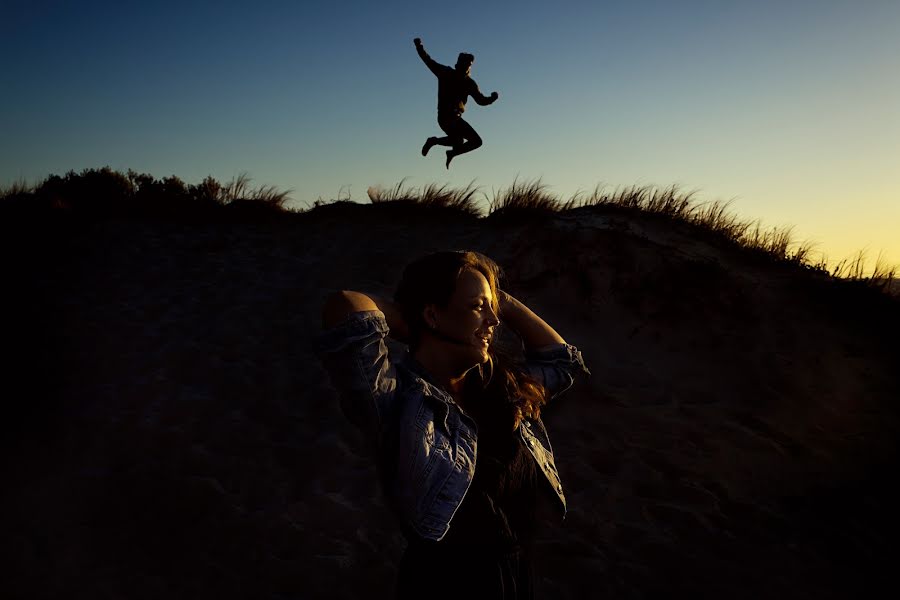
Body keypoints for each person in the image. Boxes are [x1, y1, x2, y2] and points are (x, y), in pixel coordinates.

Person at [315, 250, 589, 598]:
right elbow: (345, 307)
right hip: (445, 583)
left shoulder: (501, 387)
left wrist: (495, 297)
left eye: (494, 309)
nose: (494, 320)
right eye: (478, 308)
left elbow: (563, 361)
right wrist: (408, 321)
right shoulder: (396, 399)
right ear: (432, 313)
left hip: (515, 576)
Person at [414, 37, 500, 168]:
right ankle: (436, 143)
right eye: (465, 63)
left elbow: (480, 100)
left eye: (470, 64)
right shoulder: (445, 73)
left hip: (457, 118)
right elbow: (428, 60)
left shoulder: (469, 83)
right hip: (444, 116)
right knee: (458, 140)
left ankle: (448, 150)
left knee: (476, 141)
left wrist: (491, 99)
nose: (467, 66)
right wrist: (419, 46)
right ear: (459, 63)